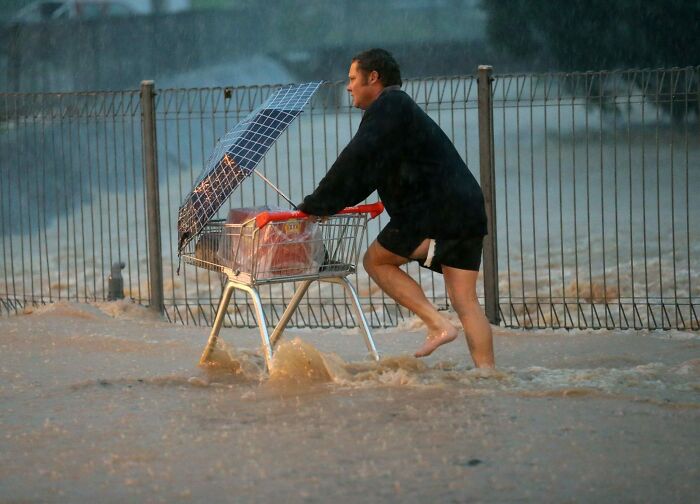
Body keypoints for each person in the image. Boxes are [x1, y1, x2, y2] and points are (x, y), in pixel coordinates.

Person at [298, 48, 494, 368]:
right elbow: (368, 173)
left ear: (372, 77)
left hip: (436, 210)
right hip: (467, 208)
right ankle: (489, 378)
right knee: (466, 302)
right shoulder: (397, 111)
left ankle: (436, 322)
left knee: (375, 261)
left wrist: (317, 203)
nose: (348, 87)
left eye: (352, 79)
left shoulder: (390, 104)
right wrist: (328, 204)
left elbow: (356, 159)